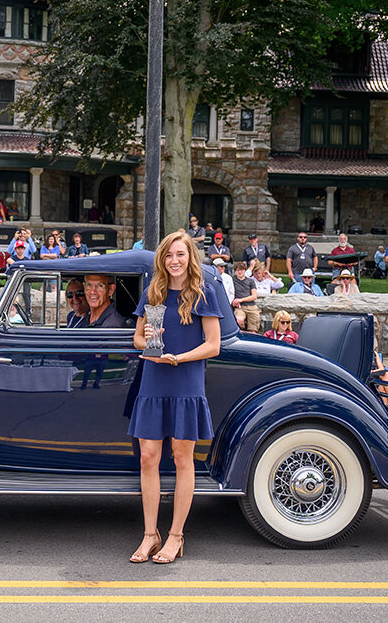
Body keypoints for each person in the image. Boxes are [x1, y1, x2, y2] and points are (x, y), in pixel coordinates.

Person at [129, 230, 222, 564]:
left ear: (189, 257)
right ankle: (149, 534)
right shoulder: (152, 292)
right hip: (154, 379)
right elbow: (138, 338)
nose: (175, 260)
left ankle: (176, 536)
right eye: (169, 255)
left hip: (186, 381)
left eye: (180, 254)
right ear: (162, 260)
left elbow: (214, 344)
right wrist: (150, 343)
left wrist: (179, 358)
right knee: (148, 457)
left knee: (183, 458)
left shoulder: (203, 293)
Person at [228, 261, 259, 332]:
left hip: (252, 306)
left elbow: (254, 296)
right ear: (235, 271)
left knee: (253, 330)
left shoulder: (251, 281)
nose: (240, 272)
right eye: (237, 270)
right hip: (240, 307)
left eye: (241, 270)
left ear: (245, 270)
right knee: (238, 321)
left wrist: (240, 300)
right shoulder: (232, 280)